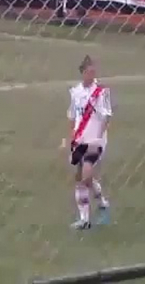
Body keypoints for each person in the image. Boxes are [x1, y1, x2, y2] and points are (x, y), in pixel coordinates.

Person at [63, 55, 112, 230]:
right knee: (81, 179)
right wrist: (71, 138)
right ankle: (99, 205)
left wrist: (99, 137)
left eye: (94, 71)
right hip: (80, 140)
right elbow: (72, 116)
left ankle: (86, 219)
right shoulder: (75, 92)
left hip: (95, 141)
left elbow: (107, 116)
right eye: (89, 71)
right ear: (83, 73)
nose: (92, 74)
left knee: (85, 176)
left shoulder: (101, 92)